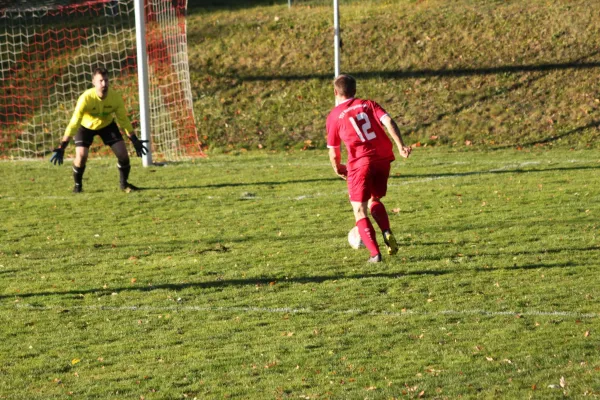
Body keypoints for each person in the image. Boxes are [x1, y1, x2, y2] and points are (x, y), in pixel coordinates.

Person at [326, 74, 412, 263]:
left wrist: (337, 167)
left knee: (359, 210)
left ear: (335, 92)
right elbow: (389, 121)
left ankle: (375, 254)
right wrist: (400, 146)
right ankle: (386, 231)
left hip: (360, 163)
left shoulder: (334, 116)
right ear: (354, 91)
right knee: (375, 198)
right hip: (382, 158)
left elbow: (334, 151)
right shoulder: (369, 104)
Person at [50, 67, 148, 193]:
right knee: (81, 156)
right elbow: (74, 123)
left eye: (106, 80)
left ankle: (124, 184)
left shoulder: (115, 98)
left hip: (107, 125)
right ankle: (78, 186)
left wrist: (134, 140)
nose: (104, 84)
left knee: (123, 155)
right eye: (100, 81)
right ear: (94, 82)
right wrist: (62, 146)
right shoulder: (85, 98)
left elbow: (123, 120)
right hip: (85, 126)